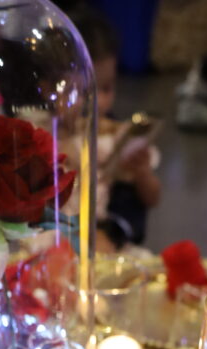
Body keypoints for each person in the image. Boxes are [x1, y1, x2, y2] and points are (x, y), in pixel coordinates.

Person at [65, 2, 161, 250]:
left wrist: (141, 174)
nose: (97, 103)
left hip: (106, 236)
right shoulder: (41, 133)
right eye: (83, 92)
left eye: (106, 89)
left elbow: (151, 199)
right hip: (51, 237)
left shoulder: (116, 136)